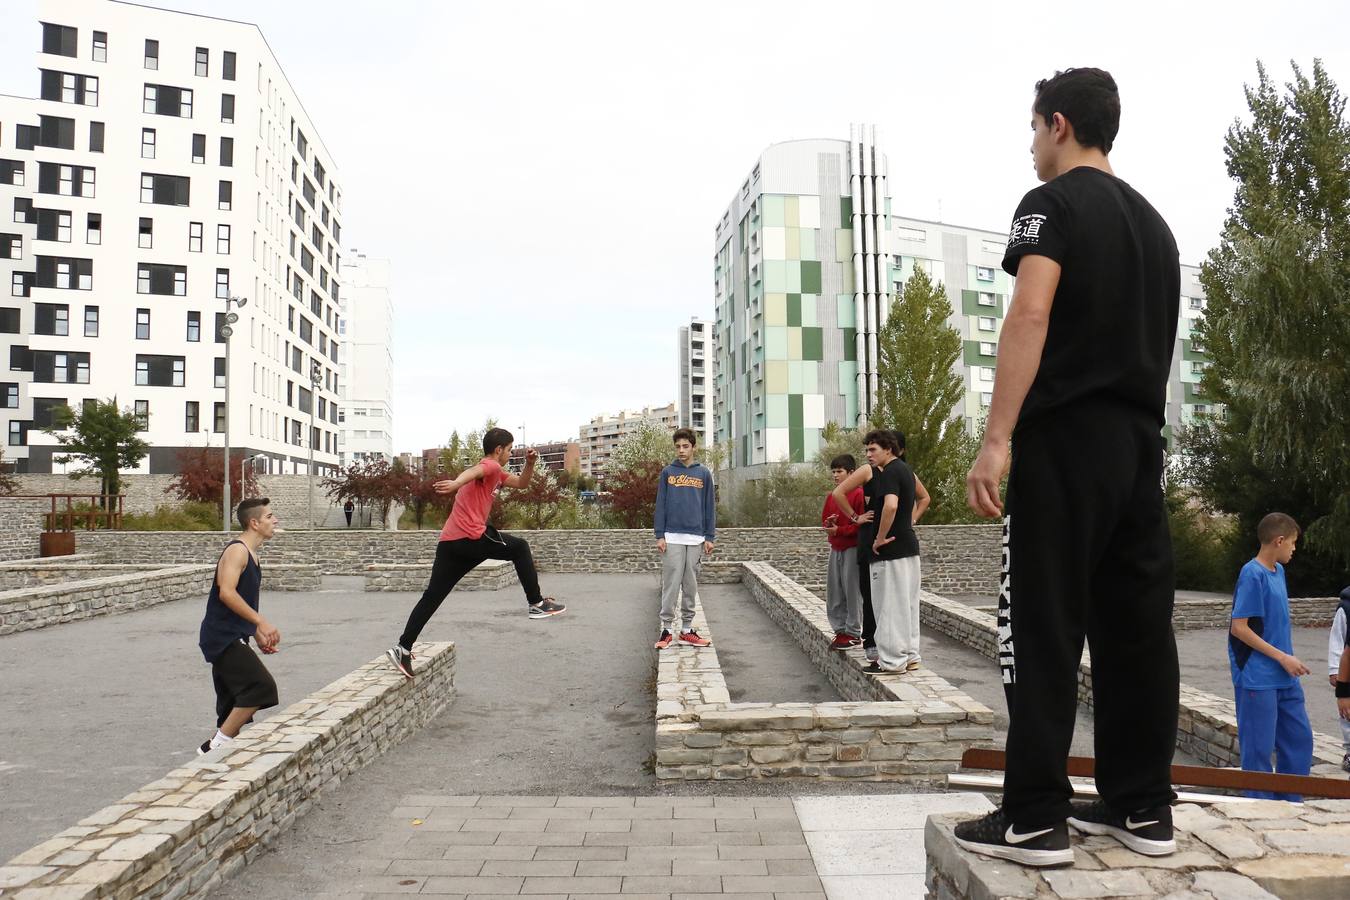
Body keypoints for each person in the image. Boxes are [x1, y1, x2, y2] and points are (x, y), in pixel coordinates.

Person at [956, 68, 1180, 867]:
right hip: (1140, 451)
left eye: (1032, 129)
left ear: (1058, 124)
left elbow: (1032, 310)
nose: (1029, 146)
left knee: (1041, 625)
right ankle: (1140, 805)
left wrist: (996, 439)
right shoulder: (1158, 228)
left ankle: (1033, 818)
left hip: (1065, 445)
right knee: (1137, 630)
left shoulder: (1048, 206)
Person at [386, 428, 566, 679]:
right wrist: (457, 483)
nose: (510, 453)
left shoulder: (498, 473)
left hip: (450, 543)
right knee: (520, 547)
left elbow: (523, 484)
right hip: (470, 539)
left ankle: (403, 648)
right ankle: (536, 603)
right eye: (510, 449)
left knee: (432, 597)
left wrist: (531, 463)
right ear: (498, 449)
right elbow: (474, 472)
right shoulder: (490, 465)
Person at [1228, 512, 1313, 799]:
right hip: (1257, 676)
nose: (1294, 548)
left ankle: (1292, 802)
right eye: (1292, 543)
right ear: (1278, 540)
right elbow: (1239, 628)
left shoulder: (1280, 572)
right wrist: (1282, 657)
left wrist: (1287, 660)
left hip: (1286, 676)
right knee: (1258, 749)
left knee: (1299, 740)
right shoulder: (1252, 573)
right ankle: (1258, 807)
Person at [196, 498, 281, 755]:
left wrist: (256, 633)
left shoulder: (252, 553)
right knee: (260, 687)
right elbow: (227, 593)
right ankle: (215, 747)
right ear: (254, 523)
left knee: (231, 702)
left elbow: (240, 600)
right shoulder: (238, 550)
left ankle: (214, 756)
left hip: (234, 635)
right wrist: (261, 621)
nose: (274, 520)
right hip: (221, 636)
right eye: (269, 516)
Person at [832, 430, 921, 674]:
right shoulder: (906, 470)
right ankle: (911, 656)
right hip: (909, 548)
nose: (868, 454)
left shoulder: (891, 471)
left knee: (888, 606)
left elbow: (890, 505)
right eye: (867, 449)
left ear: (888, 449)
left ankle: (892, 662)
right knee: (908, 605)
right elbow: (918, 500)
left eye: (873, 449)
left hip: (889, 551)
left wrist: (879, 537)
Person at [652, 428, 715, 649]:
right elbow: (661, 504)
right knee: (671, 583)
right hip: (672, 536)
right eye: (678, 446)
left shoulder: (703, 473)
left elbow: (709, 507)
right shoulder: (668, 472)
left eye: (685, 446)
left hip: (696, 537)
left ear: (693, 447)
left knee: (690, 584)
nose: (681, 450)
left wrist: (710, 536)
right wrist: (659, 534)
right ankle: (666, 629)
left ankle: (687, 629)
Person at [822, 454, 866, 650]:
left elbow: (861, 526)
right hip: (836, 547)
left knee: (852, 589)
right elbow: (825, 521)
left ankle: (854, 632)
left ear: (851, 473)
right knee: (835, 590)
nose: (835, 475)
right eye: (833, 472)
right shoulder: (832, 496)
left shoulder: (859, 494)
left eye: (839, 471)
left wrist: (839, 530)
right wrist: (830, 523)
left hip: (852, 548)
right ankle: (839, 629)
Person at [1329, 585, 1350, 772]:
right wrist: (1334, 669)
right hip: (1347, 671)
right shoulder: (1346, 607)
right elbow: (1338, 639)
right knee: (1348, 715)